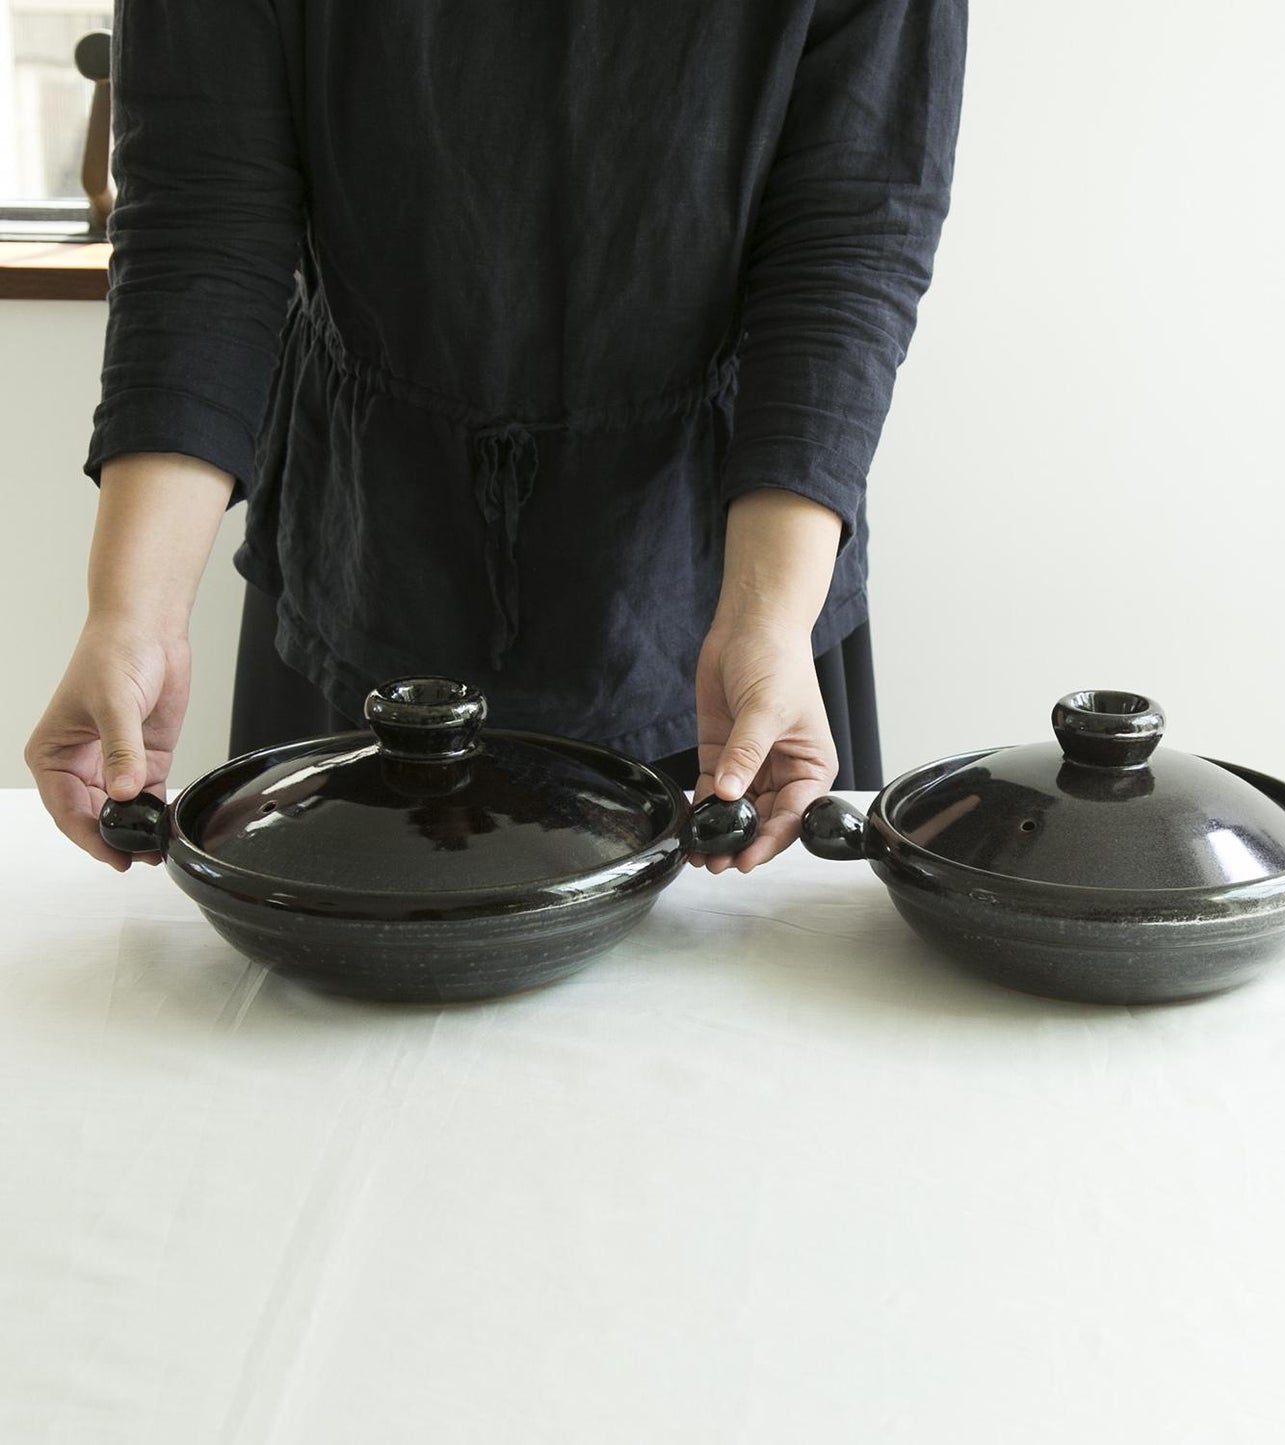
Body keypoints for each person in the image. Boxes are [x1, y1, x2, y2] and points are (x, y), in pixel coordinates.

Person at [26, 1, 968, 875]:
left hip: (735, 584)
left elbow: (850, 225)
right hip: (370, 555)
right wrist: (132, 614)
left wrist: (767, 617)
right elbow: (204, 216)